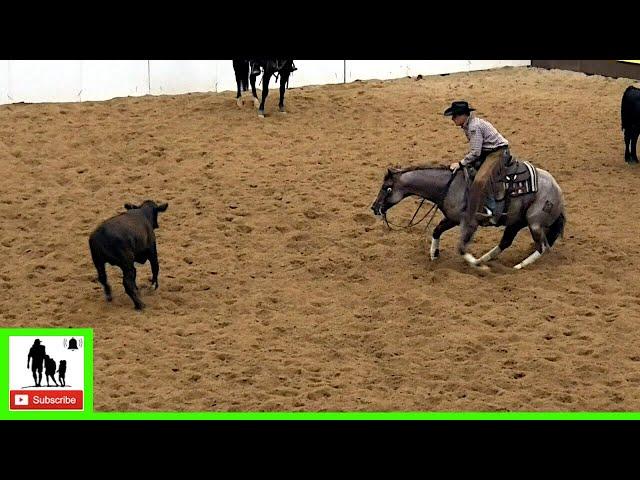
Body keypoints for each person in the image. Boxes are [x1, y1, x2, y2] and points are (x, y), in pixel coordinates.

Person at [445, 101, 512, 225]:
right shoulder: (468, 125)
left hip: (497, 152)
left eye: (454, 116)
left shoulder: (473, 127)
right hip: (487, 152)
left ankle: (490, 210)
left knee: (480, 180)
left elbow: (476, 152)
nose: (453, 119)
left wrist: (460, 163)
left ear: (462, 116)